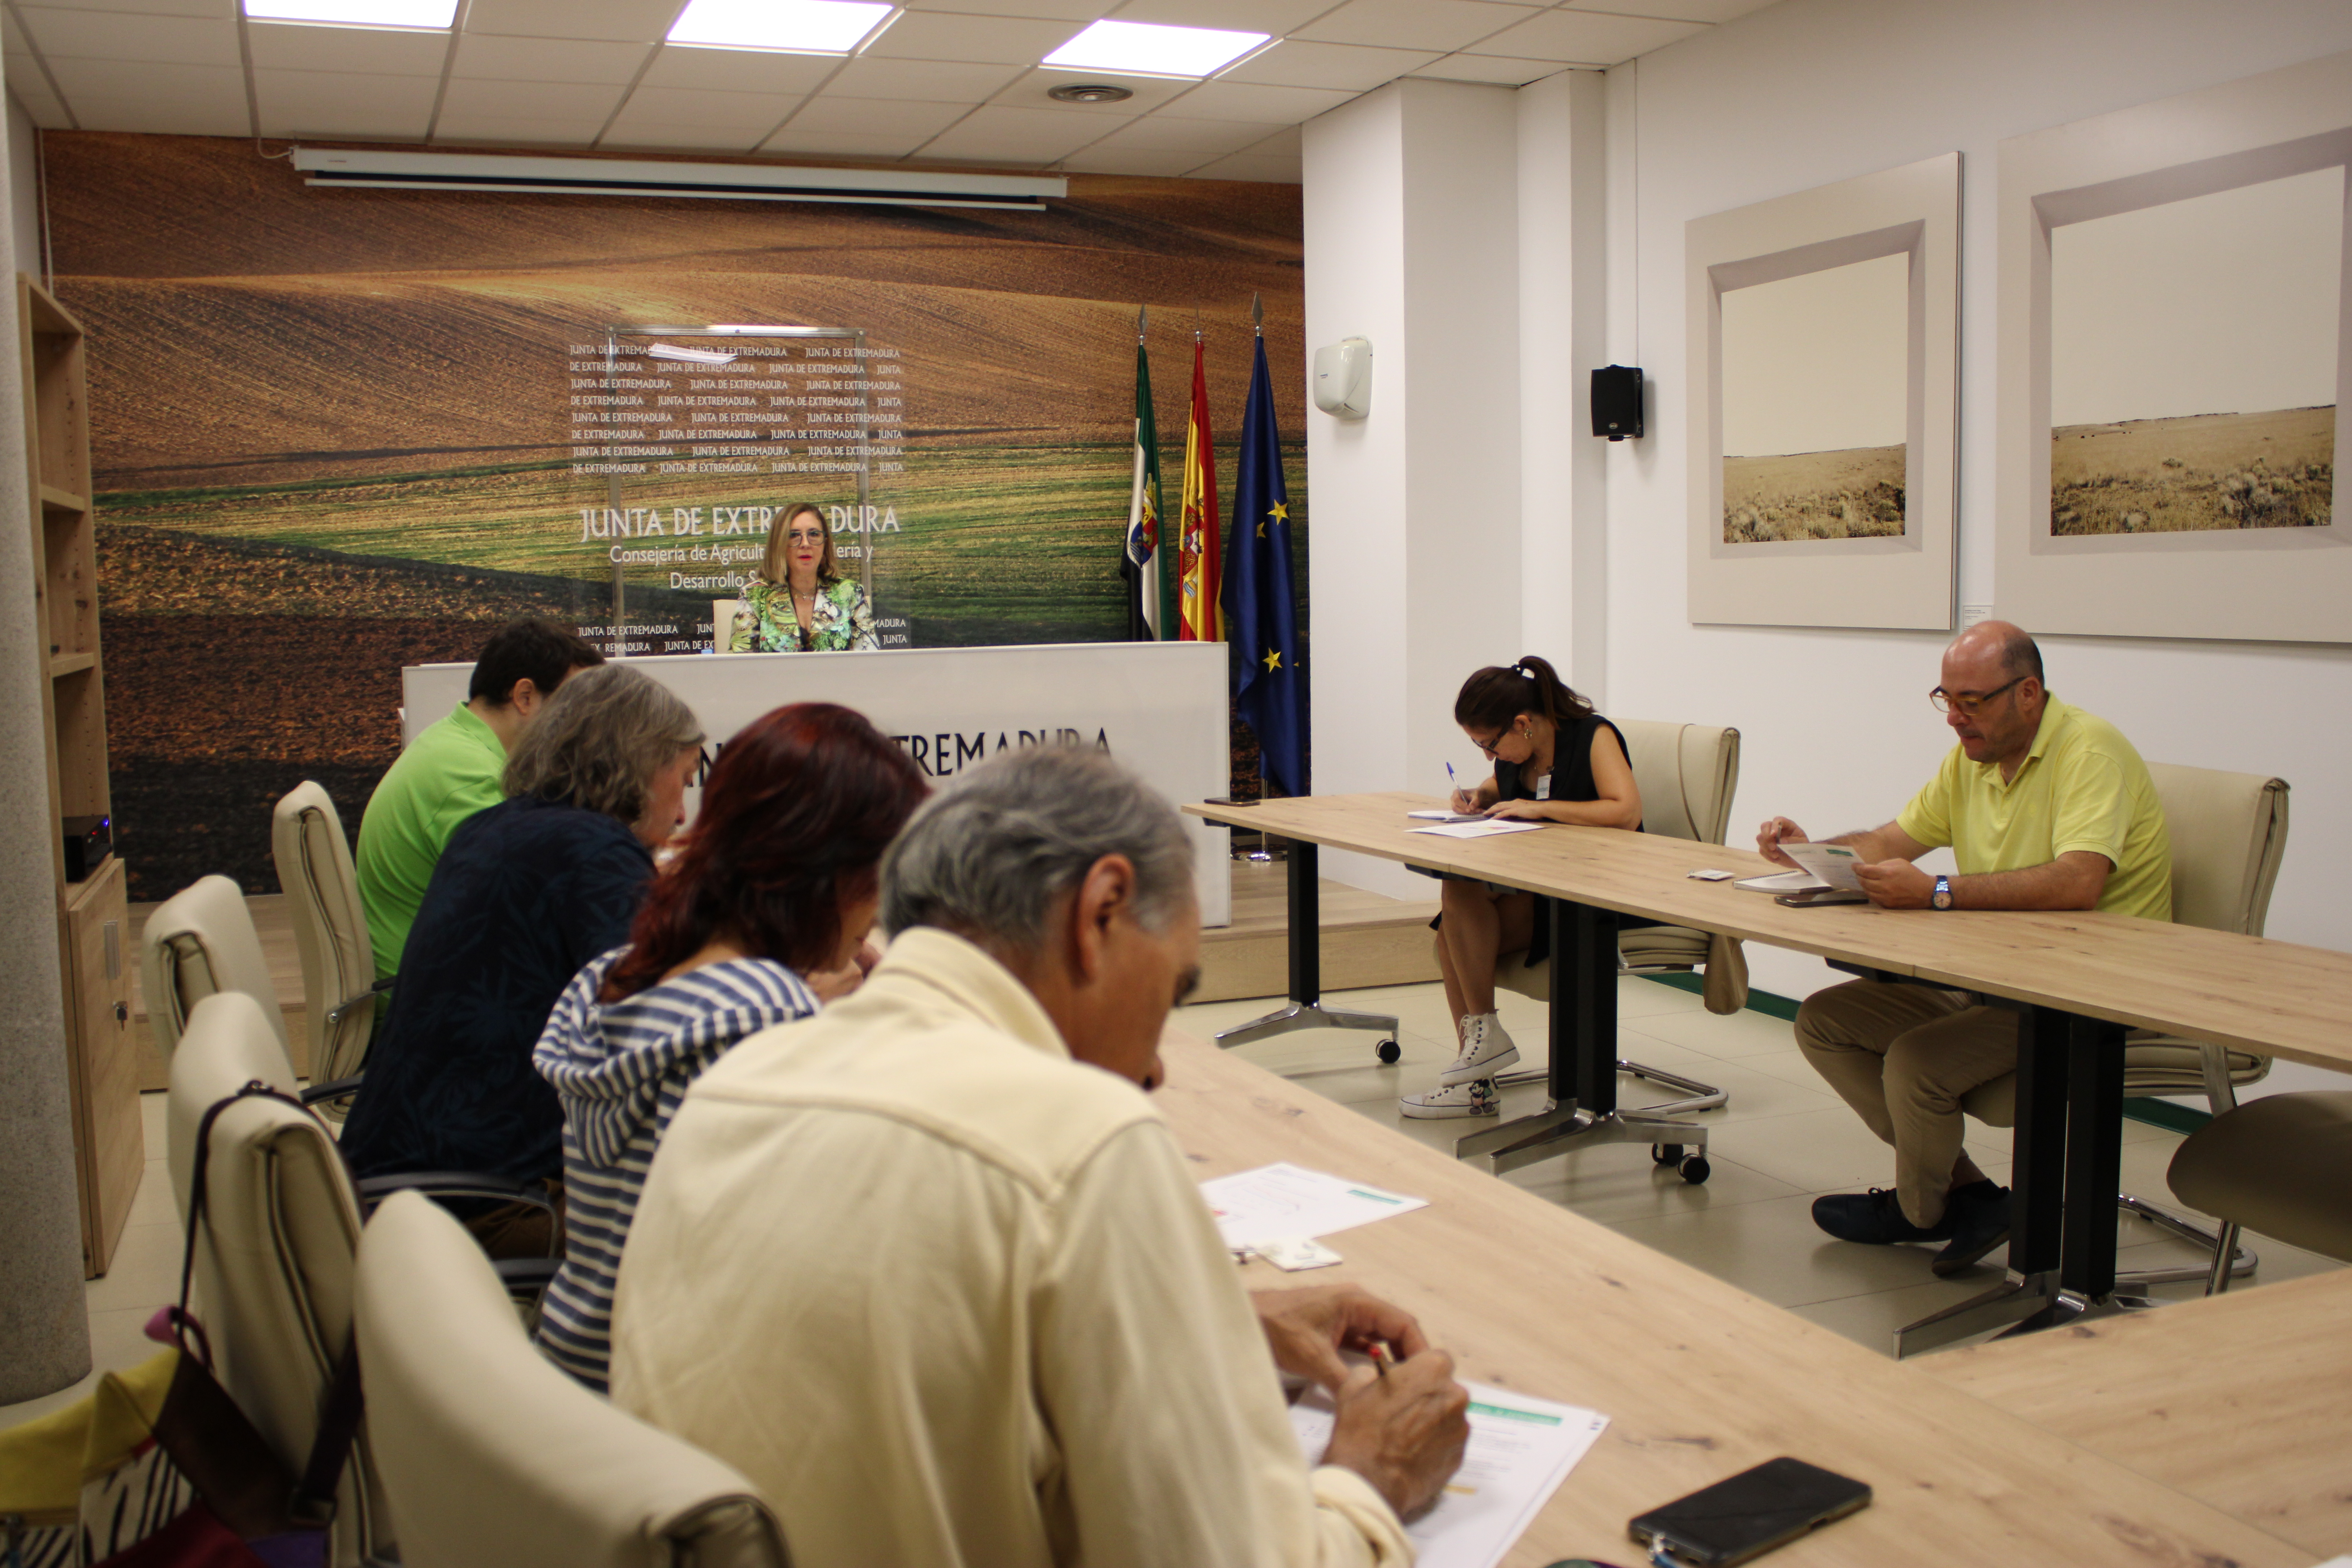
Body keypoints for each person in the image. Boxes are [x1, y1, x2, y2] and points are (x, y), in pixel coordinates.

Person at [613, 747, 1470, 1568]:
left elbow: (905, 1349)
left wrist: (1211, 1323)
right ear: (1101, 910)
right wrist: (1373, 1474)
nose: (1159, 1064)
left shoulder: (735, 1087)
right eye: (1172, 990)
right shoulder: (1086, 1141)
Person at [530, 702, 927, 1391]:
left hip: (582, 1374)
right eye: (877, 882)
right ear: (835, 878)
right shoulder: (761, 1028)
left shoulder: (616, 980)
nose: (875, 915)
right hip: (677, 1419)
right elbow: (853, 1249)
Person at [1759, 621, 2171, 1276]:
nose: (1953, 718)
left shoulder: (2089, 752)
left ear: (2029, 694)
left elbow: (2080, 881)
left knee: (1917, 1061)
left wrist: (1938, 893)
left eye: (1971, 701)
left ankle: (1923, 1209)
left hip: (2090, 990)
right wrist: (1811, 853)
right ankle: (1969, 1196)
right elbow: (1891, 841)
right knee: (1825, 1022)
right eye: (1945, 699)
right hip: (2001, 976)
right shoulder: (1973, 758)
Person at [338, 664, 704, 1259]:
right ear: (641, 760)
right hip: (480, 1210)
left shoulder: (495, 827)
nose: (685, 813)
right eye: (685, 780)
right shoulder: (593, 852)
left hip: (393, 1187)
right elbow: (668, 1029)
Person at [1399, 655, 1644, 1120]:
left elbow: (1626, 812)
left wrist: (1543, 810)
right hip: (1544, 892)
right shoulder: (1519, 757)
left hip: (1598, 897)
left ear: (1523, 724)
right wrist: (1477, 795)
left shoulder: (1593, 736)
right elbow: (1498, 784)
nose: (1489, 756)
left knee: (1455, 934)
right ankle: (1482, 1054)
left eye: (1490, 743)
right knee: (1457, 905)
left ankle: (1478, 1080)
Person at [357, 617, 603, 985]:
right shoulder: (469, 777)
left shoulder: (456, 745)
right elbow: (536, 905)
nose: (586, 725)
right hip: (433, 997)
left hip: (435, 976)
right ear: (524, 697)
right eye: (576, 704)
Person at [728, 502, 878, 652]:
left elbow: (870, 664)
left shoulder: (849, 593)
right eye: (794, 536)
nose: (805, 544)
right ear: (779, 544)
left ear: (825, 543)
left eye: (814, 534)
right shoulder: (754, 596)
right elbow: (739, 669)